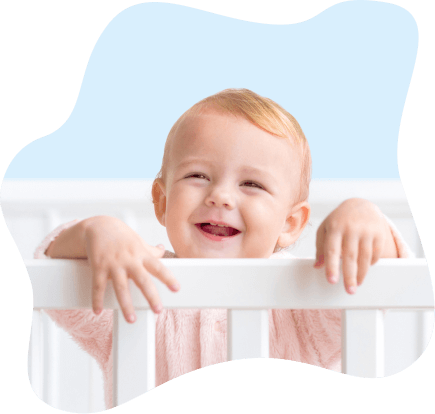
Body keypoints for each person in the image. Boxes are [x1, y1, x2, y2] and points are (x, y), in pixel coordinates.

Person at [34, 88, 415, 409]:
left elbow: (378, 275)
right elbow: (53, 271)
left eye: (251, 184)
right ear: (162, 202)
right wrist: (97, 231)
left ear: (290, 223)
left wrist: (363, 216)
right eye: (198, 175)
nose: (220, 196)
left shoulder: (300, 297)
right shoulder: (136, 280)